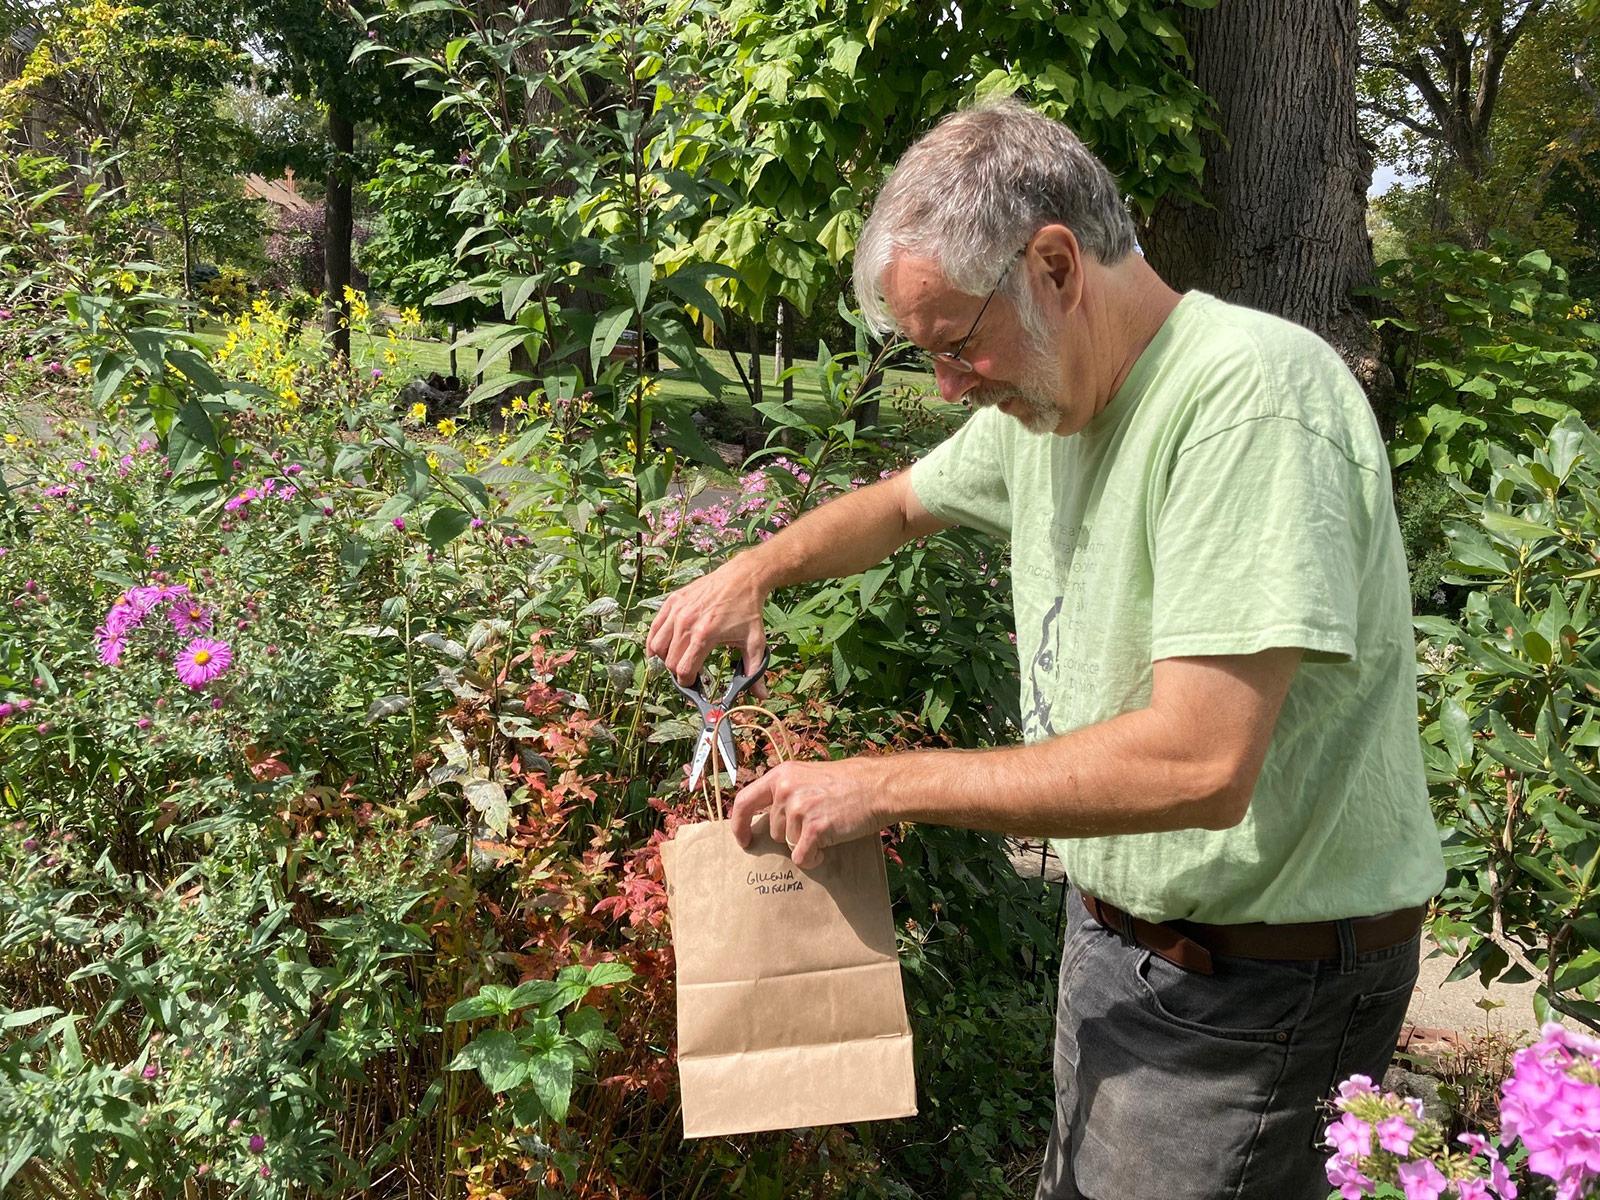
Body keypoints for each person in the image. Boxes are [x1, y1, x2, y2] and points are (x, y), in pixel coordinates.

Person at [645, 98, 1444, 1200]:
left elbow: (1199, 765)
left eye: (958, 344)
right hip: (1128, 939)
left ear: (1056, 265)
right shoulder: (1056, 405)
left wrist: (883, 784)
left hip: (1254, 986)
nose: (947, 386)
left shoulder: (1248, 403)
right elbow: (897, 504)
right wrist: (753, 571)